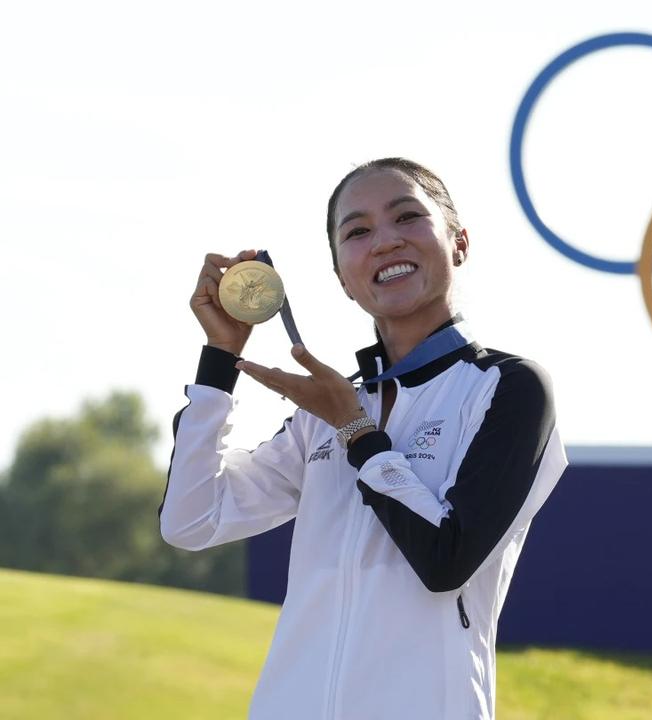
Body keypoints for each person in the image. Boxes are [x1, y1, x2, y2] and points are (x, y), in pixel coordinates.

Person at [159, 157, 568, 719]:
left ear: (459, 243)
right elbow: (190, 520)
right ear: (342, 278)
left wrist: (357, 431)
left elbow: (446, 561)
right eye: (357, 231)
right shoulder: (325, 409)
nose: (384, 242)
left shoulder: (509, 387)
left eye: (407, 217)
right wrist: (220, 361)